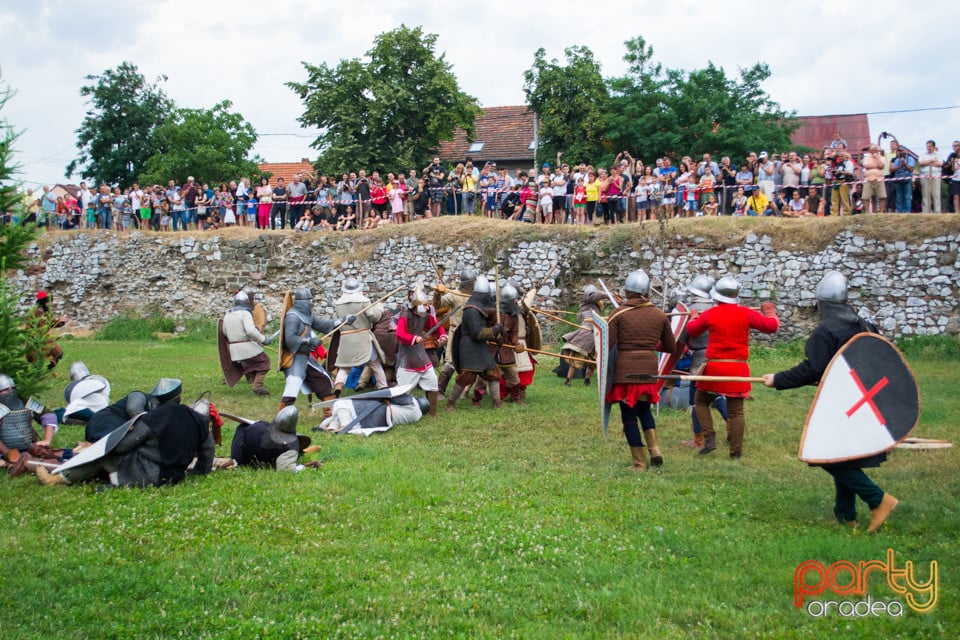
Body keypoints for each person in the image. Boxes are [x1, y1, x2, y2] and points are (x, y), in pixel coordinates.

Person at [762, 271, 898, 532]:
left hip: (844, 405)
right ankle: (845, 516)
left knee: (827, 456)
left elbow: (813, 369)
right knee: (843, 456)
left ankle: (878, 499)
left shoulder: (826, 331)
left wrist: (777, 379)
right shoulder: (866, 325)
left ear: (821, 303)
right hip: (866, 405)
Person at [37, 378, 215, 488]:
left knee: (104, 454)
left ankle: (60, 479)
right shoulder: (197, 419)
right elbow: (208, 449)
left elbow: (121, 447)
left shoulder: (153, 419)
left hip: (150, 475)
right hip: (176, 477)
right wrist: (200, 471)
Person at [685, 276, 779, 459]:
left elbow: (692, 330)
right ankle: (735, 452)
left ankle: (709, 437)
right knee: (736, 412)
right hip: (738, 369)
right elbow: (772, 326)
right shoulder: (745, 313)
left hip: (715, 368)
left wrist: (693, 317)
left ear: (717, 295)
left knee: (701, 401)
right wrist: (770, 312)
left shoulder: (711, 313)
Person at [604, 270, 676, 469]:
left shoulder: (618, 314)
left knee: (629, 418)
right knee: (644, 411)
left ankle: (639, 462)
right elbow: (670, 347)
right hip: (649, 370)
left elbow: (606, 345)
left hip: (626, 371)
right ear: (646, 292)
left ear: (627, 291)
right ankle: (655, 451)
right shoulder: (660, 315)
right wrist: (651, 345)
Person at [678, 276, 728, 449]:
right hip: (718, 356)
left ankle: (699, 439)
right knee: (718, 393)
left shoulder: (690, 310)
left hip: (699, 359)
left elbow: (681, 337)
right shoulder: (718, 308)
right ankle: (731, 424)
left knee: (696, 399)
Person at [279, 288, 346, 409]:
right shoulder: (293, 317)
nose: (311, 303)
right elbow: (290, 339)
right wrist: (309, 341)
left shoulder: (307, 315)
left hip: (306, 357)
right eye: (309, 300)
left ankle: (329, 413)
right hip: (295, 358)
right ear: (303, 301)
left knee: (324, 381)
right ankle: (281, 418)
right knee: (292, 387)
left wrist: (343, 320)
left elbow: (325, 325)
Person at [446, 276, 502, 410]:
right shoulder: (471, 310)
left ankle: (497, 402)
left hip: (480, 346)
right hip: (470, 347)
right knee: (466, 377)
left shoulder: (478, 307)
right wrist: (494, 330)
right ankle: (450, 402)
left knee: (493, 373)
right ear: (481, 295)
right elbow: (477, 333)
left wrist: (495, 338)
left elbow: (482, 332)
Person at [395, 281, 446, 416]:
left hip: (420, 354)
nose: (426, 306)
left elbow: (435, 325)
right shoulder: (405, 314)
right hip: (407, 355)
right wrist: (413, 338)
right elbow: (400, 334)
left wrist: (442, 335)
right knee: (403, 389)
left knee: (432, 380)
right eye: (423, 304)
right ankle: (398, 410)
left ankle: (433, 412)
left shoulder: (424, 314)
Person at [332, 278, 387, 393]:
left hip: (346, 338)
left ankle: (338, 387)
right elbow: (374, 316)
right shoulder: (363, 301)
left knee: (344, 367)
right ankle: (383, 387)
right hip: (362, 337)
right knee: (374, 363)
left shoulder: (338, 304)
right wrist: (379, 308)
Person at [227, 406, 317, 472]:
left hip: (239, 457)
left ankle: (303, 452)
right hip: (244, 458)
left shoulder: (259, 426)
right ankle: (302, 452)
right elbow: (285, 470)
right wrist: (303, 467)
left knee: (243, 427)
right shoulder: (288, 448)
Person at [317, 385, 428, 435]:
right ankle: (332, 428)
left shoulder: (412, 403)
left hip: (378, 411)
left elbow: (395, 395)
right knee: (348, 413)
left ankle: (343, 426)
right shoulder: (417, 416)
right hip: (379, 422)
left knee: (341, 403)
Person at [222, 291, 274, 395]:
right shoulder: (245, 313)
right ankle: (258, 385)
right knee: (264, 361)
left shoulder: (228, 314)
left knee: (249, 362)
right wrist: (263, 339)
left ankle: (251, 380)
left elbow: (224, 331)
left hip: (233, 349)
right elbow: (250, 331)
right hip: (246, 346)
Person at [434, 268, 476, 395]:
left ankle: (466, 391)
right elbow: (437, 305)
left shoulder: (476, 295)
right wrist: (437, 293)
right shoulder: (454, 295)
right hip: (456, 333)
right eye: (474, 281)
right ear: (469, 282)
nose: (476, 283)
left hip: (471, 334)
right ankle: (440, 391)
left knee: (473, 364)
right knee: (450, 362)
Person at [560, 285, 607, 387]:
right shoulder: (586, 303)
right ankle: (568, 381)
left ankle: (587, 381)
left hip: (595, 334)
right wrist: (608, 294)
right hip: (585, 334)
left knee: (592, 361)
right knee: (577, 359)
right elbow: (582, 320)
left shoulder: (595, 306)